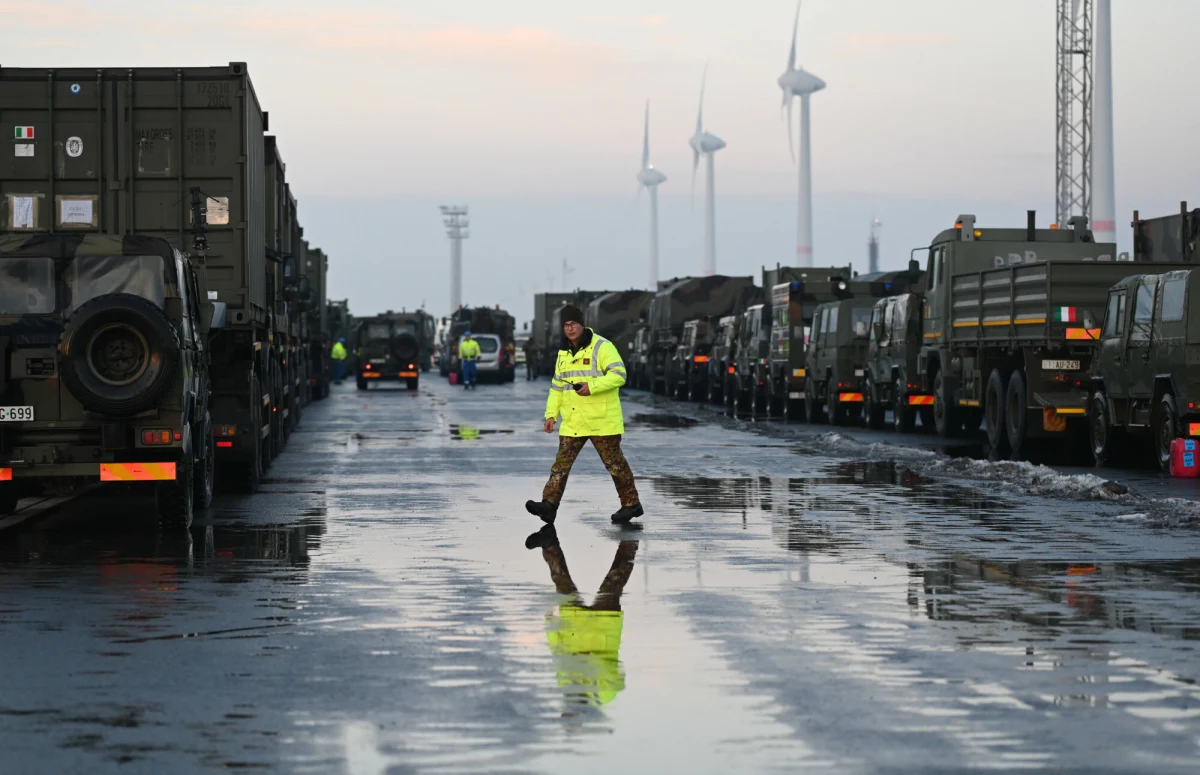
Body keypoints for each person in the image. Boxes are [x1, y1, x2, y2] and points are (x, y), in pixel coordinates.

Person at [526, 305, 643, 525]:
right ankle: (548, 505)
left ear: (582, 324)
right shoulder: (563, 353)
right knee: (560, 465)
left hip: (602, 420)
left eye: (573, 324)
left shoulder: (602, 346)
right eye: (566, 325)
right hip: (574, 421)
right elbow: (556, 388)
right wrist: (551, 415)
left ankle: (631, 504)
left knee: (615, 465)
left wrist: (592, 386)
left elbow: (619, 375)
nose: (570, 329)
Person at [526, 525, 638, 710]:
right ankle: (630, 542)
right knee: (615, 579)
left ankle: (549, 543)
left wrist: (550, 624)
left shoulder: (565, 686)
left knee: (561, 580)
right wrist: (589, 667)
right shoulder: (605, 695)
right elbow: (616, 673)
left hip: (573, 628)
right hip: (604, 624)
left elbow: (558, 654)